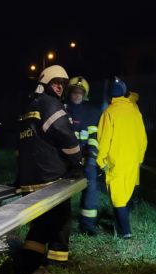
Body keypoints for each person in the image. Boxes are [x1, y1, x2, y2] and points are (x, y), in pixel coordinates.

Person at [15, 65, 82, 274]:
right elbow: (66, 137)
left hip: (29, 177)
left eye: (62, 84)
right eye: (56, 83)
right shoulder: (51, 106)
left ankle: (31, 255)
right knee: (62, 217)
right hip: (50, 176)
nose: (60, 88)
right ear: (46, 84)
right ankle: (58, 258)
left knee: (42, 221)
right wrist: (76, 161)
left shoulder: (29, 106)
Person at [97, 77, 148, 239]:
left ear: (110, 97)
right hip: (133, 161)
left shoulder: (109, 113)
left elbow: (104, 139)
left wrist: (101, 161)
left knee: (118, 197)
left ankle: (125, 231)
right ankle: (120, 229)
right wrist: (139, 159)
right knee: (126, 194)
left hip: (115, 161)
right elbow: (143, 139)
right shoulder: (135, 111)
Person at [65, 76, 101, 235]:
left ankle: (87, 224)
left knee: (91, 187)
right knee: (60, 191)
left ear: (84, 94)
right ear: (70, 93)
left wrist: (92, 156)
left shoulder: (92, 112)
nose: (77, 95)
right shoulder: (62, 110)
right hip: (65, 159)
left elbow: (94, 136)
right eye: (74, 92)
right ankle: (60, 223)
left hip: (86, 158)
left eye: (80, 92)